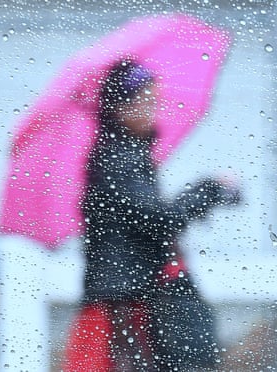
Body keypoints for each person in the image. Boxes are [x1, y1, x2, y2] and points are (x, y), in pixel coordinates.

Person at [63, 60, 240, 371]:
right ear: (119, 107)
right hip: (123, 304)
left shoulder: (125, 154)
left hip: (130, 298)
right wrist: (208, 189)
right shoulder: (119, 159)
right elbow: (160, 219)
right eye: (143, 100)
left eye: (153, 100)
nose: (151, 109)